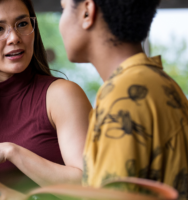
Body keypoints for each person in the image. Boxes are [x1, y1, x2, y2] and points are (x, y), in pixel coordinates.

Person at [0, 0, 91, 196]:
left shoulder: (61, 95)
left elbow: (89, 184)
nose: (14, 37)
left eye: (22, 24)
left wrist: (12, 152)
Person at [59, 0, 187, 198]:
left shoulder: (124, 96)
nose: (61, 23)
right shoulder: (160, 83)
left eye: (64, 9)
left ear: (87, 12)